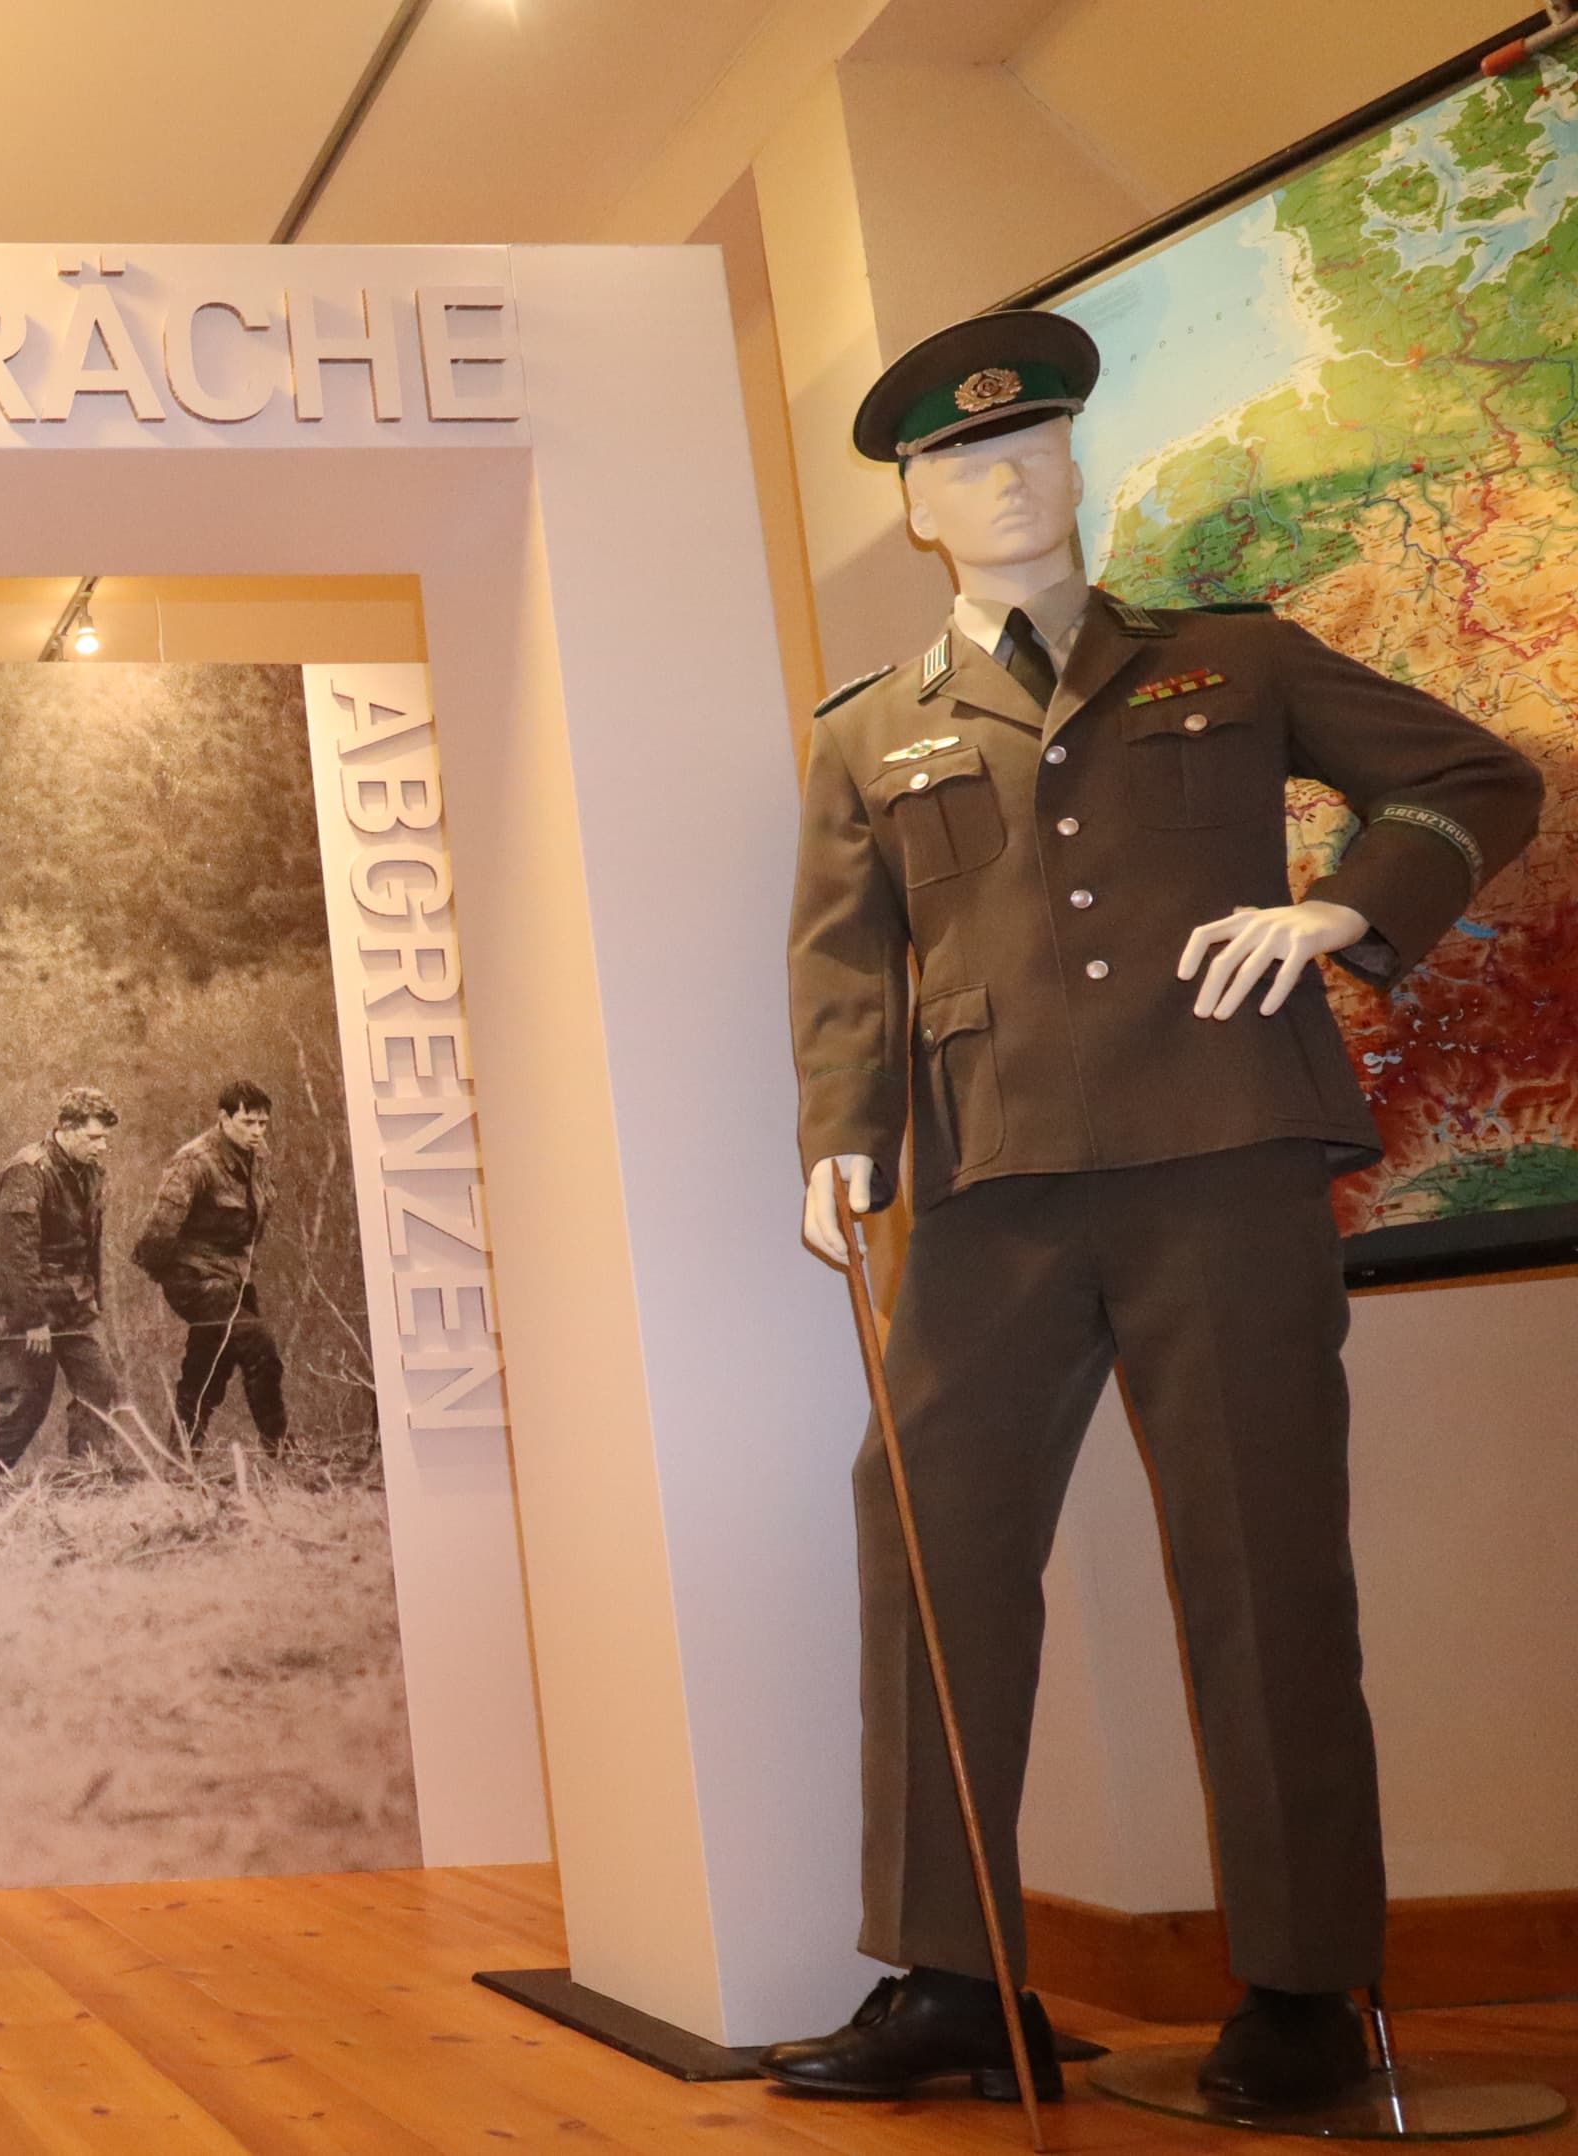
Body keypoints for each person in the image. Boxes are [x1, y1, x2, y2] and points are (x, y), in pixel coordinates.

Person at [766, 311, 1542, 2114]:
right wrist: (843, 1134)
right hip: (993, 1186)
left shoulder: (1229, 659)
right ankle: (955, 1977)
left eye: (1033, 442)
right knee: (927, 1545)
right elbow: (846, 958)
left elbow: (1473, 778)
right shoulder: (870, 733)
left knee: (1263, 1562)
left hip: (1223, 1158)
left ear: (1073, 462)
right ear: (916, 505)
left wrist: (1345, 909)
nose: (1009, 476)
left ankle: (1301, 1986)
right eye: (965, 459)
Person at [0, 1085, 143, 1482]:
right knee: (26, 1402)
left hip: (73, 1301)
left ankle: (87, 1479)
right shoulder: (27, 1172)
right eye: (94, 1137)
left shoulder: (90, 1173)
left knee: (99, 1386)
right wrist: (34, 1319)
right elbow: (14, 1256)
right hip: (20, 1304)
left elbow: (90, 1246)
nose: (102, 1147)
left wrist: (94, 1300)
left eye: (105, 1138)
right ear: (66, 1128)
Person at [134, 1080, 288, 1463]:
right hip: (196, 1278)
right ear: (224, 1118)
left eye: (263, 1123)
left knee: (209, 1367)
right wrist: (175, 1277)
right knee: (261, 1352)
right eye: (248, 1122)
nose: (257, 1131)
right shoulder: (194, 1162)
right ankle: (282, 1453)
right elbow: (157, 1232)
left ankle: (179, 1462)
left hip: (235, 1277)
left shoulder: (258, 1157)